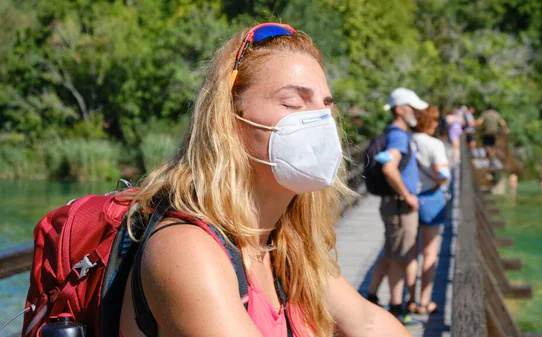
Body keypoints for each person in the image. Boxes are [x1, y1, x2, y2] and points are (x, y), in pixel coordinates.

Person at [117, 23, 413, 337]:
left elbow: (368, 323)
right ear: (229, 116)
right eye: (293, 104)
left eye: (326, 107)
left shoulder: (285, 244)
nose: (320, 122)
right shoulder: (186, 250)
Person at [366, 87, 427, 325]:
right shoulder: (399, 135)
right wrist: (408, 195)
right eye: (414, 109)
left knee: (392, 253)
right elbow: (389, 167)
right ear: (401, 110)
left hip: (394, 205)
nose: (418, 114)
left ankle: (375, 298)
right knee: (400, 258)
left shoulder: (393, 132)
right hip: (401, 206)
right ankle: (396, 309)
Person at [407, 106, 450, 315]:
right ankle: (424, 303)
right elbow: (441, 174)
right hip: (431, 199)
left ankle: (411, 300)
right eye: (435, 121)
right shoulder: (435, 144)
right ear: (430, 122)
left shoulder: (408, 140)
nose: (436, 124)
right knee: (430, 252)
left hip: (409, 199)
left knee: (411, 253)